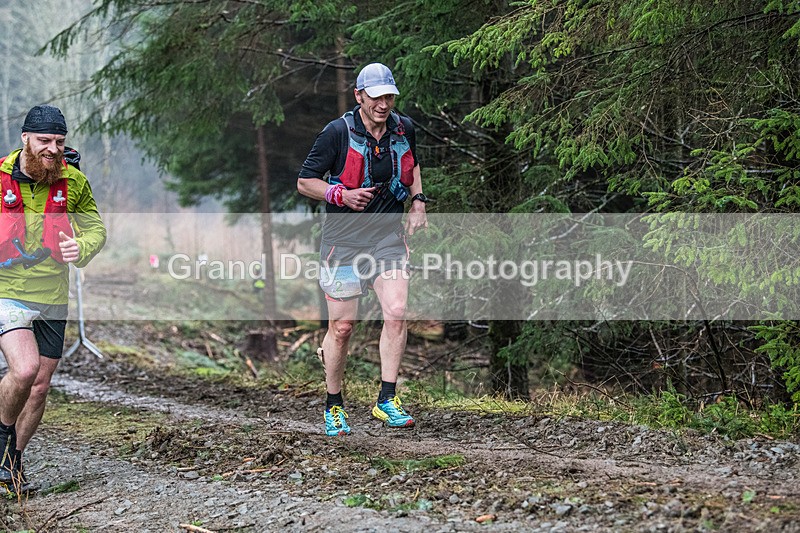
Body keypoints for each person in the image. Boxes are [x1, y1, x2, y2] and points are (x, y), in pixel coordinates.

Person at [297, 63, 429, 436]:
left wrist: (418, 201)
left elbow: (413, 164)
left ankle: (386, 399)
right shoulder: (336, 133)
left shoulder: (404, 128)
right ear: (359, 96)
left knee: (398, 310)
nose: (383, 104)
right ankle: (334, 404)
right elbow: (305, 182)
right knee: (341, 327)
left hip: (387, 238)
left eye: (389, 97)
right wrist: (341, 193)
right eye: (376, 97)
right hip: (343, 241)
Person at [0, 105, 106, 491]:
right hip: (6, 290)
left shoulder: (73, 181)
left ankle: (11, 463)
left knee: (39, 386)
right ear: (25, 137)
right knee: (24, 370)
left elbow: (95, 229)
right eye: (44, 140)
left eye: (59, 142)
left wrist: (82, 246)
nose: (53, 149)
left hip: (52, 294)